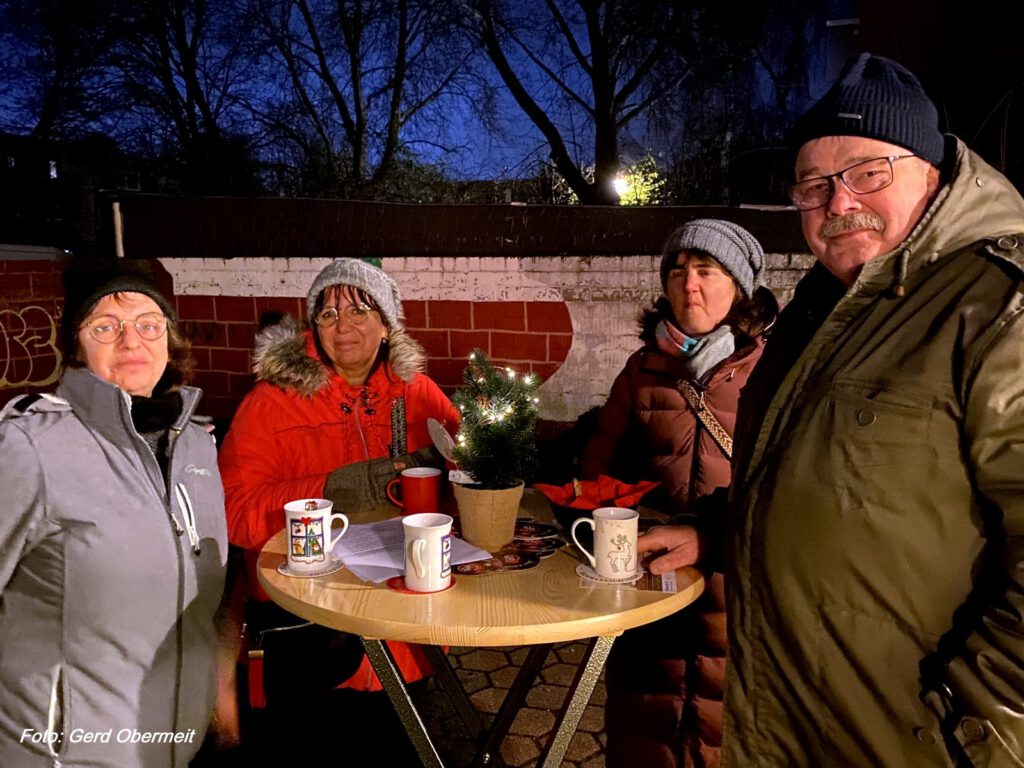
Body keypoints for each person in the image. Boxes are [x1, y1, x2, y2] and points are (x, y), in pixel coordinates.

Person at [639, 53, 1024, 766]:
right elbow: (813, 474)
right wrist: (717, 536)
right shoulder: (825, 305)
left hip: (911, 739)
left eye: (868, 173)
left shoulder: (999, 307)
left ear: (933, 173)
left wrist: (978, 730)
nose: (838, 202)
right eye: (814, 185)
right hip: (793, 718)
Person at [218, 257, 458, 760]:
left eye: (359, 310)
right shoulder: (272, 401)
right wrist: (332, 489)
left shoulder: (417, 393)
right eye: (327, 314)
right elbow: (232, 511)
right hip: (312, 633)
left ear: (388, 324)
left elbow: (467, 465)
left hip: (405, 630)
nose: (343, 326)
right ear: (313, 326)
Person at [0, 260, 228, 767]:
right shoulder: (29, 448)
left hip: (173, 749)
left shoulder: (194, 447)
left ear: (169, 343)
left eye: (148, 324)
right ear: (77, 348)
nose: (131, 341)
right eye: (105, 327)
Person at [580, 219, 776, 768]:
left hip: (737, 590)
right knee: (647, 726)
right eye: (678, 271)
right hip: (651, 582)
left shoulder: (773, 372)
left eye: (706, 271)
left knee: (728, 728)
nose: (689, 285)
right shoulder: (641, 370)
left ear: (738, 286)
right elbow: (598, 466)